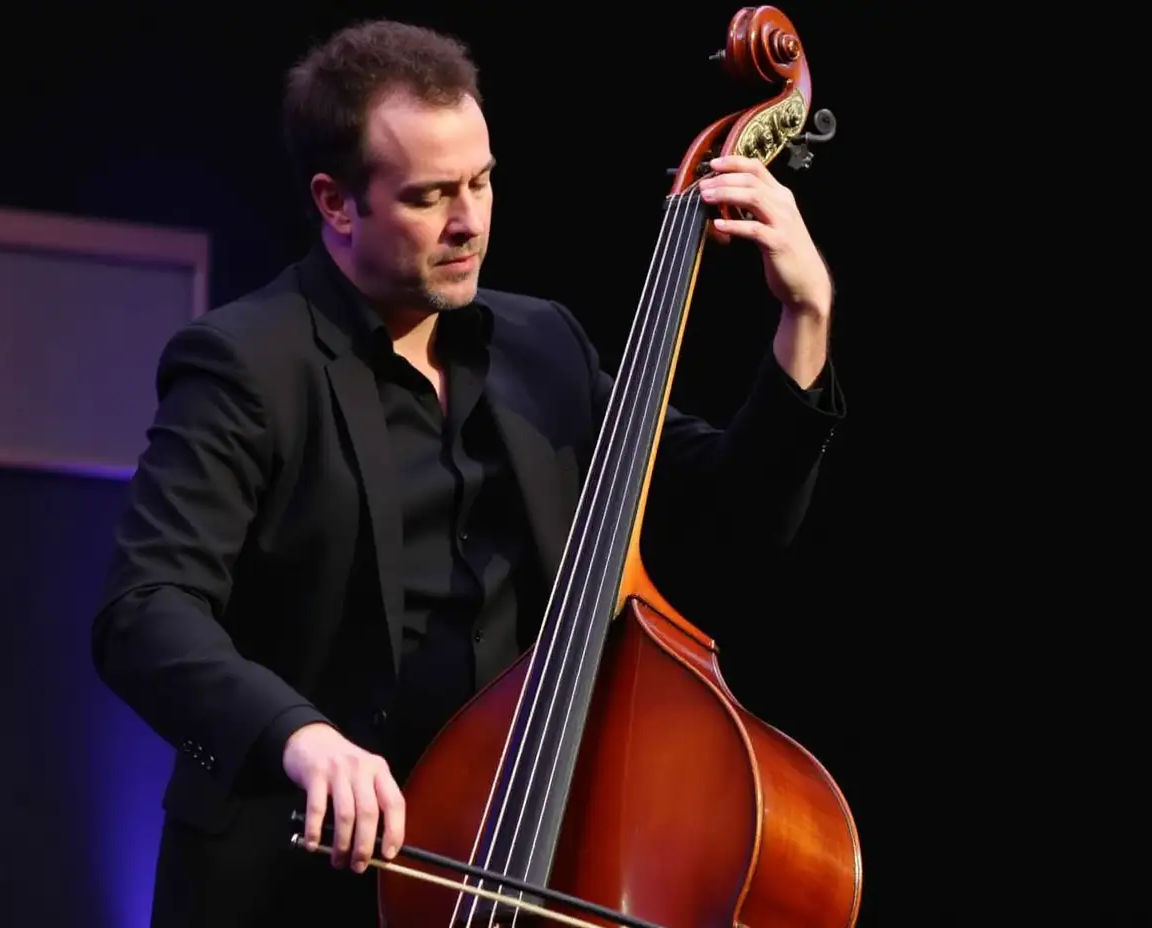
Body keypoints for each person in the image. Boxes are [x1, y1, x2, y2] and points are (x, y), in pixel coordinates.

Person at [91, 17, 844, 928]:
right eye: (429, 196)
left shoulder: (545, 348)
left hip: (517, 860)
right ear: (336, 203)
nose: (470, 222)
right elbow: (145, 609)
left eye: (483, 182)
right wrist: (299, 734)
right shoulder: (247, 364)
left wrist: (805, 319)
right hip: (292, 883)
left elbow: (736, 525)